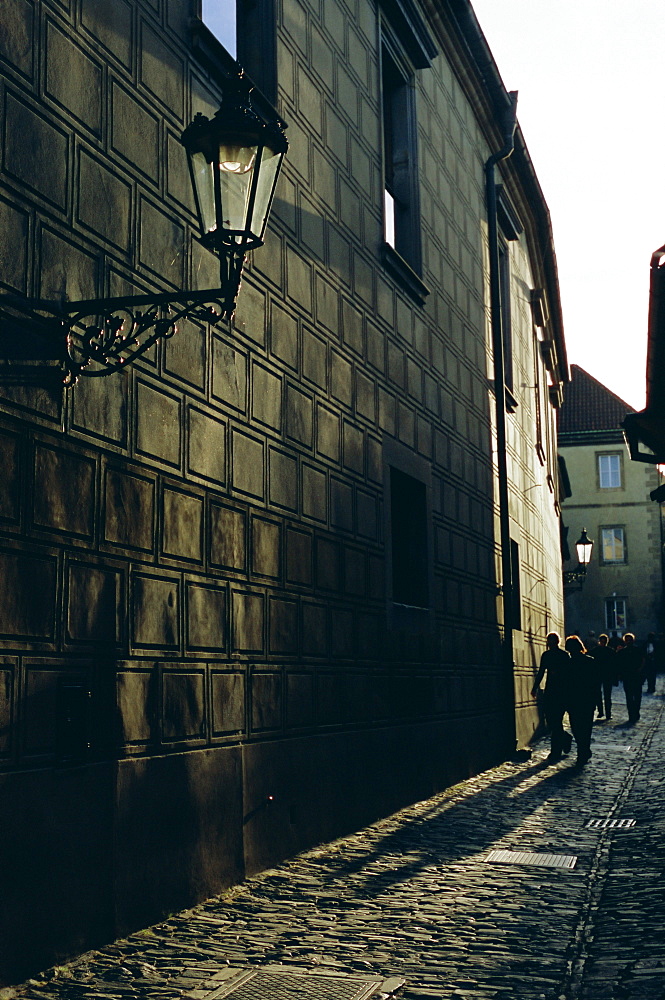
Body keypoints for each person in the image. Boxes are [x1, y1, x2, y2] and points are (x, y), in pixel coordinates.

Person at [531, 632, 573, 763]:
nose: (550, 643)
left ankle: (556, 751)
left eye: (552, 640)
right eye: (549, 640)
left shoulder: (564, 655)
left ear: (557, 642)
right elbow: (541, 671)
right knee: (551, 720)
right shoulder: (546, 655)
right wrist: (535, 687)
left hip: (561, 692)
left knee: (556, 719)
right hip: (550, 691)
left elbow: (569, 673)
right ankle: (565, 737)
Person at [565, 635, 598, 766]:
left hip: (574, 700)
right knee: (586, 726)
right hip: (587, 699)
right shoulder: (591, 661)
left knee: (576, 726)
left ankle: (582, 749)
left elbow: (565, 685)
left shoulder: (568, 663)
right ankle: (584, 750)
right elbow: (596, 683)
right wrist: (596, 700)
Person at [616, 632, 644, 723]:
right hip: (627, 677)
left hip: (636, 676)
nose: (628, 641)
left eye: (630, 640)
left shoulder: (637, 650)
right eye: (627, 640)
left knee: (637, 696)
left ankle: (636, 712)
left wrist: (640, 669)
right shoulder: (622, 652)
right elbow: (619, 664)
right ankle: (631, 714)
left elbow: (643, 660)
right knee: (629, 697)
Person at [591, 633, 618, 720]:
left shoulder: (597, 650)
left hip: (602, 675)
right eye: (602, 641)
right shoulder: (610, 651)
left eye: (604, 642)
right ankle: (603, 712)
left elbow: (614, 665)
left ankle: (605, 712)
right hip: (601, 675)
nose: (603, 643)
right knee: (601, 695)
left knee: (605, 695)